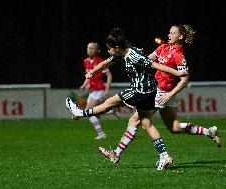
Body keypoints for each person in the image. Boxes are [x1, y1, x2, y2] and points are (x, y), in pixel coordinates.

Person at [66, 27, 188, 170]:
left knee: (108, 104)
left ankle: (80, 113)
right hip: (149, 92)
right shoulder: (120, 53)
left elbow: (157, 65)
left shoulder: (133, 55)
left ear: (117, 48)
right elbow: (105, 63)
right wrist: (92, 71)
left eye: (109, 48)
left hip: (140, 91)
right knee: (146, 123)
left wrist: (177, 73)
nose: (108, 51)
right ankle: (164, 155)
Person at [131, 24, 221, 151]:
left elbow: (184, 80)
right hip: (159, 91)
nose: (169, 35)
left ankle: (117, 153)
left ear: (180, 37)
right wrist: (137, 54)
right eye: (169, 32)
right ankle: (208, 132)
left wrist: (169, 95)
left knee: (135, 120)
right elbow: (147, 60)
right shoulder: (163, 47)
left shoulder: (179, 54)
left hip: (163, 92)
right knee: (175, 128)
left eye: (173, 33)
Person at [79, 42, 112, 140]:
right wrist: (84, 84)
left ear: (97, 50)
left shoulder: (100, 61)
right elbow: (88, 75)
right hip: (92, 90)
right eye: (89, 48)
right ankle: (109, 110)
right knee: (92, 113)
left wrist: (107, 89)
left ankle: (101, 134)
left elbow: (109, 75)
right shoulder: (86, 61)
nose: (90, 50)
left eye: (92, 48)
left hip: (99, 90)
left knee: (89, 112)